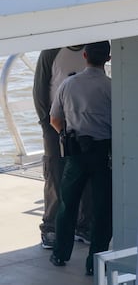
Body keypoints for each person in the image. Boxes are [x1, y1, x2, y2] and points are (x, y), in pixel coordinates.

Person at [48, 41, 113, 275]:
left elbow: (54, 119)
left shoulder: (68, 84)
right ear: (108, 58)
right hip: (102, 154)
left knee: (67, 205)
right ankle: (94, 264)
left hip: (74, 152)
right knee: (102, 209)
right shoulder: (111, 87)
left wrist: (68, 135)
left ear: (84, 55)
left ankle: (59, 253)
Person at [33, 45, 93, 249]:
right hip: (54, 123)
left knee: (86, 174)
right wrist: (46, 124)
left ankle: (83, 225)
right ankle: (50, 228)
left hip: (85, 123)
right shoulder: (50, 51)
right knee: (56, 175)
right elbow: (39, 91)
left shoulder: (93, 47)